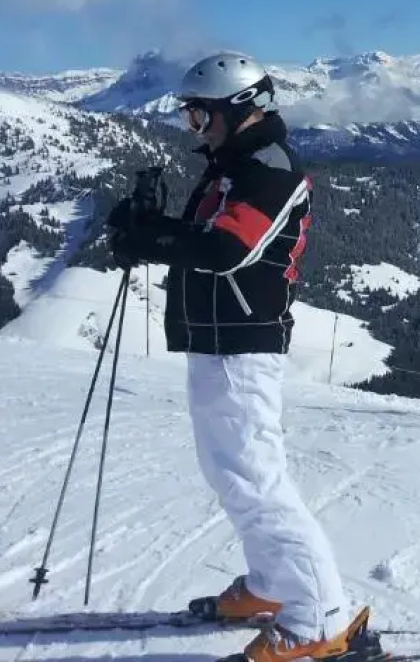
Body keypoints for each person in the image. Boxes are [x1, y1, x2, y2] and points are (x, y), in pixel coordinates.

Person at [105, 51, 374, 662]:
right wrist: (151, 227)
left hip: (243, 340)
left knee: (254, 478)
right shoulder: (236, 164)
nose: (193, 128)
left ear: (240, 109)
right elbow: (207, 236)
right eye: (189, 118)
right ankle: (274, 585)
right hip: (219, 336)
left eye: (200, 116)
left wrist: (151, 237)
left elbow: (229, 247)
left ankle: (319, 620)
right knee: (231, 471)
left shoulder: (268, 168)